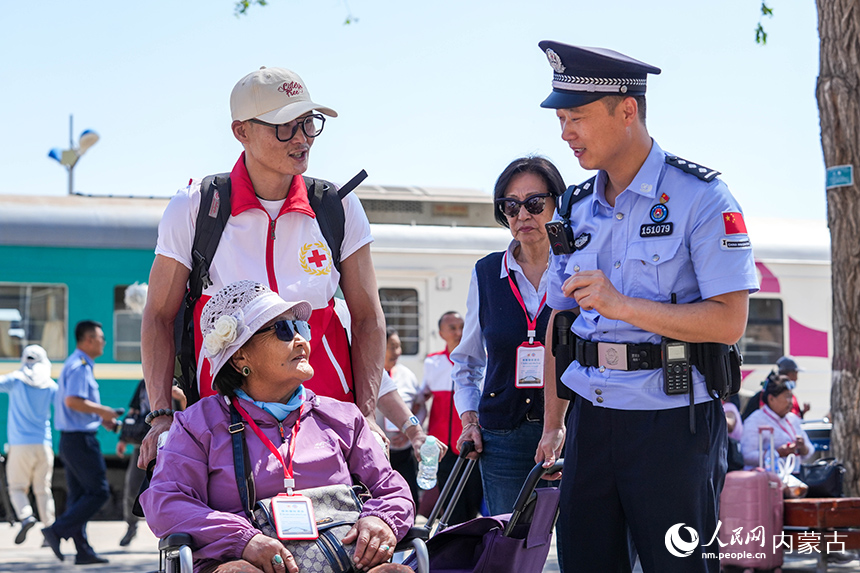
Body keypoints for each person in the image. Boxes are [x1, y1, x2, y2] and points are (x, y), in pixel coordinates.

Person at [534, 42, 758, 573]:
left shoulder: (703, 198)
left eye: (577, 117)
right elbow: (560, 321)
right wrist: (553, 424)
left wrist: (623, 305)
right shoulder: (574, 207)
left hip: (673, 422)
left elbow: (729, 321)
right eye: (561, 120)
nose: (565, 133)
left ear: (627, 110)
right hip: (591, 418)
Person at [140, 66, 386, 468]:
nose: (302, 138)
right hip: (225, 420)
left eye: (308, 122)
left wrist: (367, 415)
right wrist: (161, 414)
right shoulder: (195, 207)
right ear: (241, 131)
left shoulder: (338, 207)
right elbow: (158, 316)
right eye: (284, 127)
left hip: (327, 417)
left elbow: (368, 318)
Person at [141, 280, 413, 573]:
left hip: (344, 561)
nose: (301, 340)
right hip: (245, 563)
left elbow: (391, 490)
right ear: (240, 357)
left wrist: (381, 519)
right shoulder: (197, 425)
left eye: (300, 327)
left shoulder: (343, 417)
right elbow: (166, 502)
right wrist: (244, 540)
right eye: (283, 330)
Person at [452, 156, 566, 515]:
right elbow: (467, 359)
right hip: (502, 438)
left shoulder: (577, 267)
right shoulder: (487, 272)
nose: (522, 215)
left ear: (557, 204)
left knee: (577, 540)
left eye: (534, 203)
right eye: (511, 206)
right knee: (511, 540)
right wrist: (470, 420)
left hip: (572, 432)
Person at [42, 321, 121, 564]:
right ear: (88, 340)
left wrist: (101, 418)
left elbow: (77, 405)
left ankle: (83, 551)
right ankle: (56, 531)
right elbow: (73, 401)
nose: (104, 342)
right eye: (101, 338)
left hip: (71, 439)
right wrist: (104, 411)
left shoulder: (76, 363)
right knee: (98, 492)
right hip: (80, 441)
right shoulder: (80, 365)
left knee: (78, 497)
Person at [420, 311, 482, 525]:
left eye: (462, 327)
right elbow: (421, 397)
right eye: (452, 328)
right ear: (441, 333)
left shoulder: (478, 359)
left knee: (473, 499)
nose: (459, 332)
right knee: (450, 505)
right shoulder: (433, 362)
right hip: (443, 446)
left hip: (472, 442)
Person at [115, 379, 187, 547]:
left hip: (172, 444)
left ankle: (175, 532)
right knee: (133, 487)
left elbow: (191, 411)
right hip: (144, 443)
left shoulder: (179, 379)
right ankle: (131, 526)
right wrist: (123, 439)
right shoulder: (144, 383)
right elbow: (133, 411)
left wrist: (180, 396)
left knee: (172, 489)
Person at [0, 345, 57, 544]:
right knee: (43, 489)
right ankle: (50, 531)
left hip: (19, 445)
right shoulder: (49, 384)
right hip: (44, 444)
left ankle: (26, 516)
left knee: (17, 487)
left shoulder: (16, 380)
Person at [378, 327, 422, 506]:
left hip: (404, 452)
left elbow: (419, 407)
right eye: (392, 347)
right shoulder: (367, 375)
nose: (397, 352)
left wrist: (410, 432)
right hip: (378, 455)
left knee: (411, 501)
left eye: (399, 346)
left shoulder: (407, 375)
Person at [741, 375, 813, 470]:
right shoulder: (755, 421)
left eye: (791, 396)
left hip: (793, 476)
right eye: (787, 396)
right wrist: (777, 453)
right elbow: (746, 455)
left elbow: (810, 450)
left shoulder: (793, 419)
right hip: (765, 477)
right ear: (771, 399)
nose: (791, 402)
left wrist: (803, 447)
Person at [741, 355, 810, 420]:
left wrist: (802, 412)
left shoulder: (790, 396)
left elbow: (793, 418)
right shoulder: (769, 395)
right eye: (795, 374)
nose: (796, 378)